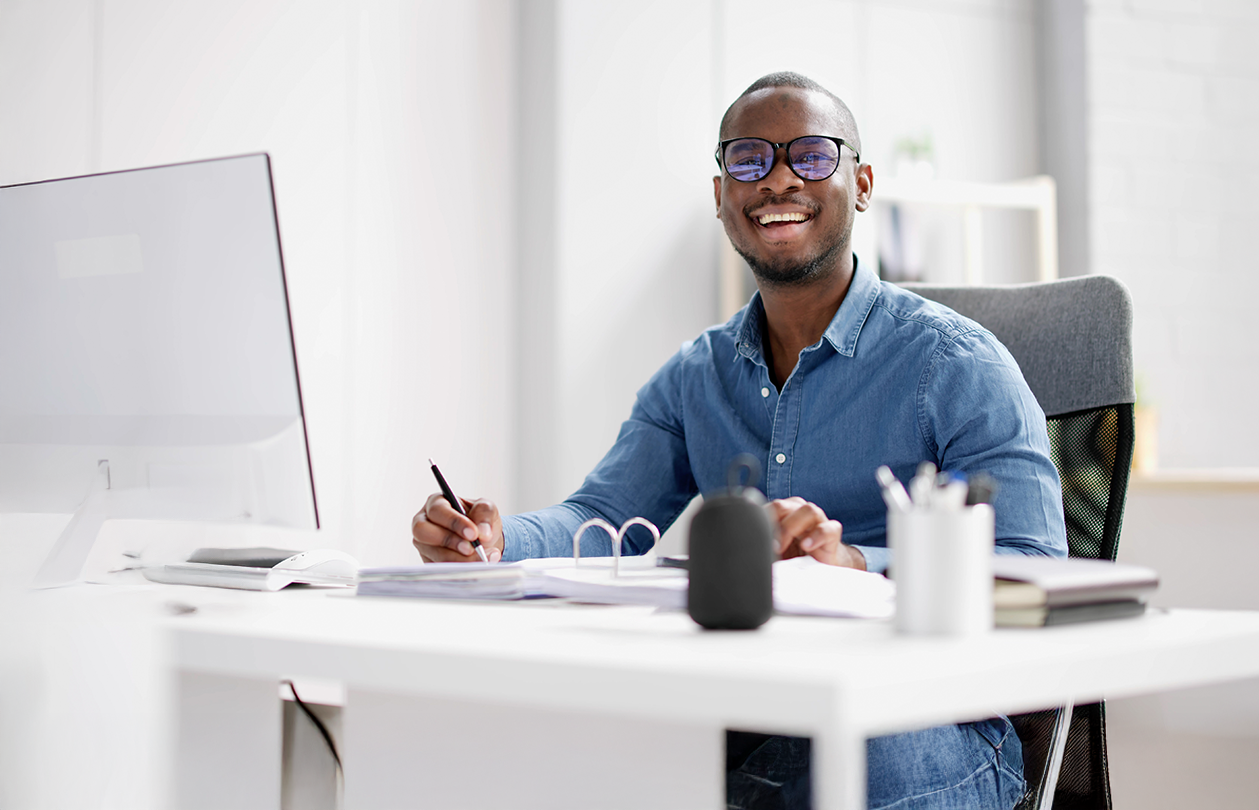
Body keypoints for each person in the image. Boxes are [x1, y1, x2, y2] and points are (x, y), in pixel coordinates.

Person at [412, 72, 1066, 810]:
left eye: (812, 156)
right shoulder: (697, 374)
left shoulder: (954, 364)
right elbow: (600, 519)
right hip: (758, 717)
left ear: (862, 184)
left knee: (857, 758)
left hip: (923, 724)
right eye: (749, 160)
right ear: (721, 196)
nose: (779, 178)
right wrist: (498, 541)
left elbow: (1036, 568)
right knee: (551, 737)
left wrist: (856, 562)